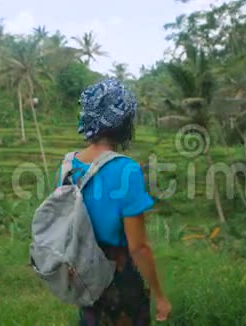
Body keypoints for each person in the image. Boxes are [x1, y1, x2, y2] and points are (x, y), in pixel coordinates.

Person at [58, 79, 171, 325]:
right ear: (124, 123)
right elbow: (138, 247)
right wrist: (160, 295)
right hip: (120, 279)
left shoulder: (68, 166)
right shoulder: (126, 170)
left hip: (85, 274)